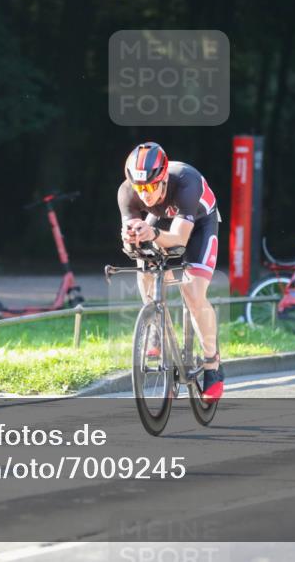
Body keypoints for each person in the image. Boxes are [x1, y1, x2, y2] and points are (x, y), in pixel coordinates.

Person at [117, 142, 224, 402]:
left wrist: (152, 233)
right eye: (140, 188)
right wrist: (131, 237)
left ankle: (213, 365)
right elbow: (132, 240)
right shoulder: (126, 192)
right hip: (162, 219)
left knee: (193, 290)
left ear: (163, 179)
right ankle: (156, 328)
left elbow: (178, 239)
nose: (145, 194)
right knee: (144, 265)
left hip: (198, 223)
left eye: (152, 186)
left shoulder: (187, 184)